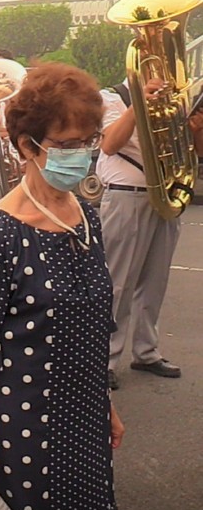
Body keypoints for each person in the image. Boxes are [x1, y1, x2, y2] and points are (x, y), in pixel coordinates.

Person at [0, 63, 125, 510]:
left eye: (89, 140)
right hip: (22, 433)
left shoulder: (84, 215)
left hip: (82, 422)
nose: (83, 155)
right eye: (67, 144)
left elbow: (87, 325)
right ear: (27, 146)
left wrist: (102, 403)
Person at [97, 76, 184, 389]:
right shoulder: (110, 98)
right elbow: (109, 144)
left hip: (166, 194)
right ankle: (103, 358)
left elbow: (189, 149)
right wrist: (138, 103)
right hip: (126, 194)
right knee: (117, 282)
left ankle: (146, 351)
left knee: (155, 280)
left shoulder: (175, 99)